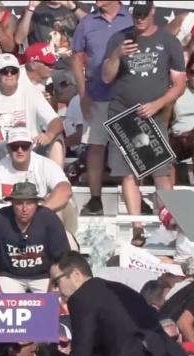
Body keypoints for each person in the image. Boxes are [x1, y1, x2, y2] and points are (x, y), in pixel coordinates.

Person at [48, 251, 194, 356]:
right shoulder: (121, 289)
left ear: (75, 275)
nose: (55, 290)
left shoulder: (82, 296)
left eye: (56, 282)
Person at [101, 1, 185, 246]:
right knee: (127, 173)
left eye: (143, 14)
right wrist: (116, 55)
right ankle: (137, 228)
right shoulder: (119, 38)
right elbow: (106, 77)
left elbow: (179, 84)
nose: (138, 19)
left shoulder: (169, 41)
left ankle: (172, 224)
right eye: (135, 14)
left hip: (153, 116)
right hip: (122, 114)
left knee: (161, 174)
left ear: (152, 12)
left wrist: (159, 104)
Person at [71, 0, 132, 216]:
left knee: (132, 149)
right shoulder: (86, 23)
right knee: (96, 147)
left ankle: (136, 200)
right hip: (96, 94)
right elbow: (77, 60)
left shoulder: (132, 18)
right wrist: (82, 93)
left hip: (128, 97)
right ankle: (95, 199)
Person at [0, 53, 64, 167]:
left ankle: (56, 180)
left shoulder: (31, 93)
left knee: (56, 138)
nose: (9, 74)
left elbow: (56, 122)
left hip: (29, 151)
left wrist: (49, 135)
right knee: (3, 145)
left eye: (13, 71)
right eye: (4, 71)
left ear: (18, 73)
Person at [0, 182, 69, 293]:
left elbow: (62, 258)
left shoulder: (49, 219)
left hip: (44, 275)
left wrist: (52, 287)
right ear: (11, 203)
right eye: (19, 203)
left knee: (56, 301)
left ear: (37, 204)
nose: (24, 209)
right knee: (1, 305)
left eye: (30, 203)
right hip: (9, 275)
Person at [0, 128, 73, 229]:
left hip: (42, 218)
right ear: (8, 148)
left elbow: (65, 190)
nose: (20, 150)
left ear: (31, 146)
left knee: (59, 208)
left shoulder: (45, 164)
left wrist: (37, 214)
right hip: (10, 222)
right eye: (15, 146)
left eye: (25, 146)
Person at [16, 0, 86, 72]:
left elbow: (93, 29)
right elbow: (19, 39)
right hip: (45, 69)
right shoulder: (35, 9)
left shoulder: (76, 6)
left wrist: (73, 7)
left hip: (73, 68)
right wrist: (30, 10)